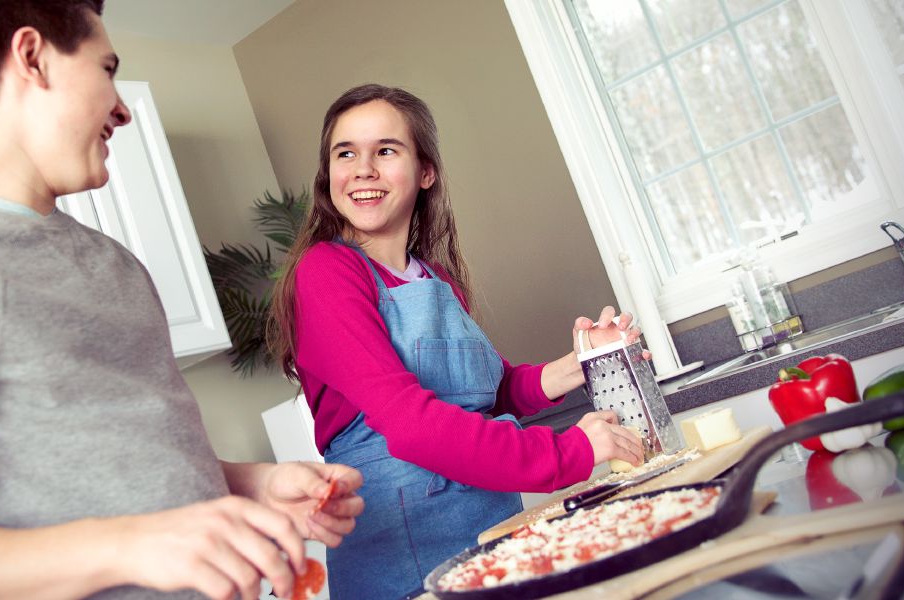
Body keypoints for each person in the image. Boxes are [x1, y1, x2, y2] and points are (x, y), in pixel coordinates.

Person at [0, 2, 362, 599]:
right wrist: (130, 545)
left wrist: (253, 484)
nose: (120, 108)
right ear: (32, 58)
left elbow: (119, 469)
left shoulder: (113, 264)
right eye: (107, 69)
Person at [266, 83, 646, 597]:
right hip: (404, 556)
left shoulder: (436, 279)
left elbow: (490, 391)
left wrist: (582, 361)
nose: (362, 169)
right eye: (345, 153)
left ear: (426, 172)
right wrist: (569, 450)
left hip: (484, 524)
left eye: (385, 150)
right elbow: (409, 425)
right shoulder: (327, 273)